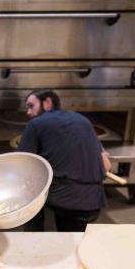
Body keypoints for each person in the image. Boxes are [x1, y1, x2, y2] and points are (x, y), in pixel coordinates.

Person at [16, 88, 109, 232]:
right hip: (94, 203)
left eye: (31, 106)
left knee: (28, 187)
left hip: (65, 202)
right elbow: (107, 165)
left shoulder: (36, 124)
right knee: (73, 240)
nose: (28, 112)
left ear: (47, 102)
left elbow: (22, 165)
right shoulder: (83, 120)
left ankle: (33, 238)